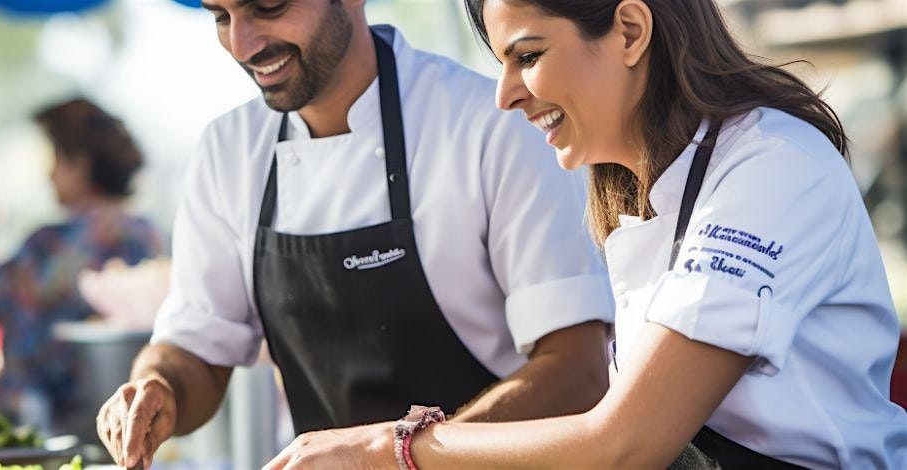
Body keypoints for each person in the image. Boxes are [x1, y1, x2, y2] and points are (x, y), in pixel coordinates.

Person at [266, 0, 907, 468]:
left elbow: (627, 442)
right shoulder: (641, 189)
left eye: (529, 56)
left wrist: (393, 448)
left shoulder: (772, 165)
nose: (505, 96)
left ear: (629, 30)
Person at [94, 0, 617, 468]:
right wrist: (159, 387)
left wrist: (398, 457)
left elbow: (577, 370)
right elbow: (197, 347)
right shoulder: (227, 151)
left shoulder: (492, 126)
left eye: (269, 7)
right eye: (221, 16)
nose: (242, 43)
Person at [0, 98, 163, 434]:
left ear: (81, 164)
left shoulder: (52, 244)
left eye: (56, 158)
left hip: (43, 430)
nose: (49, 174)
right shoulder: (148, 236)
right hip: (128, 422)